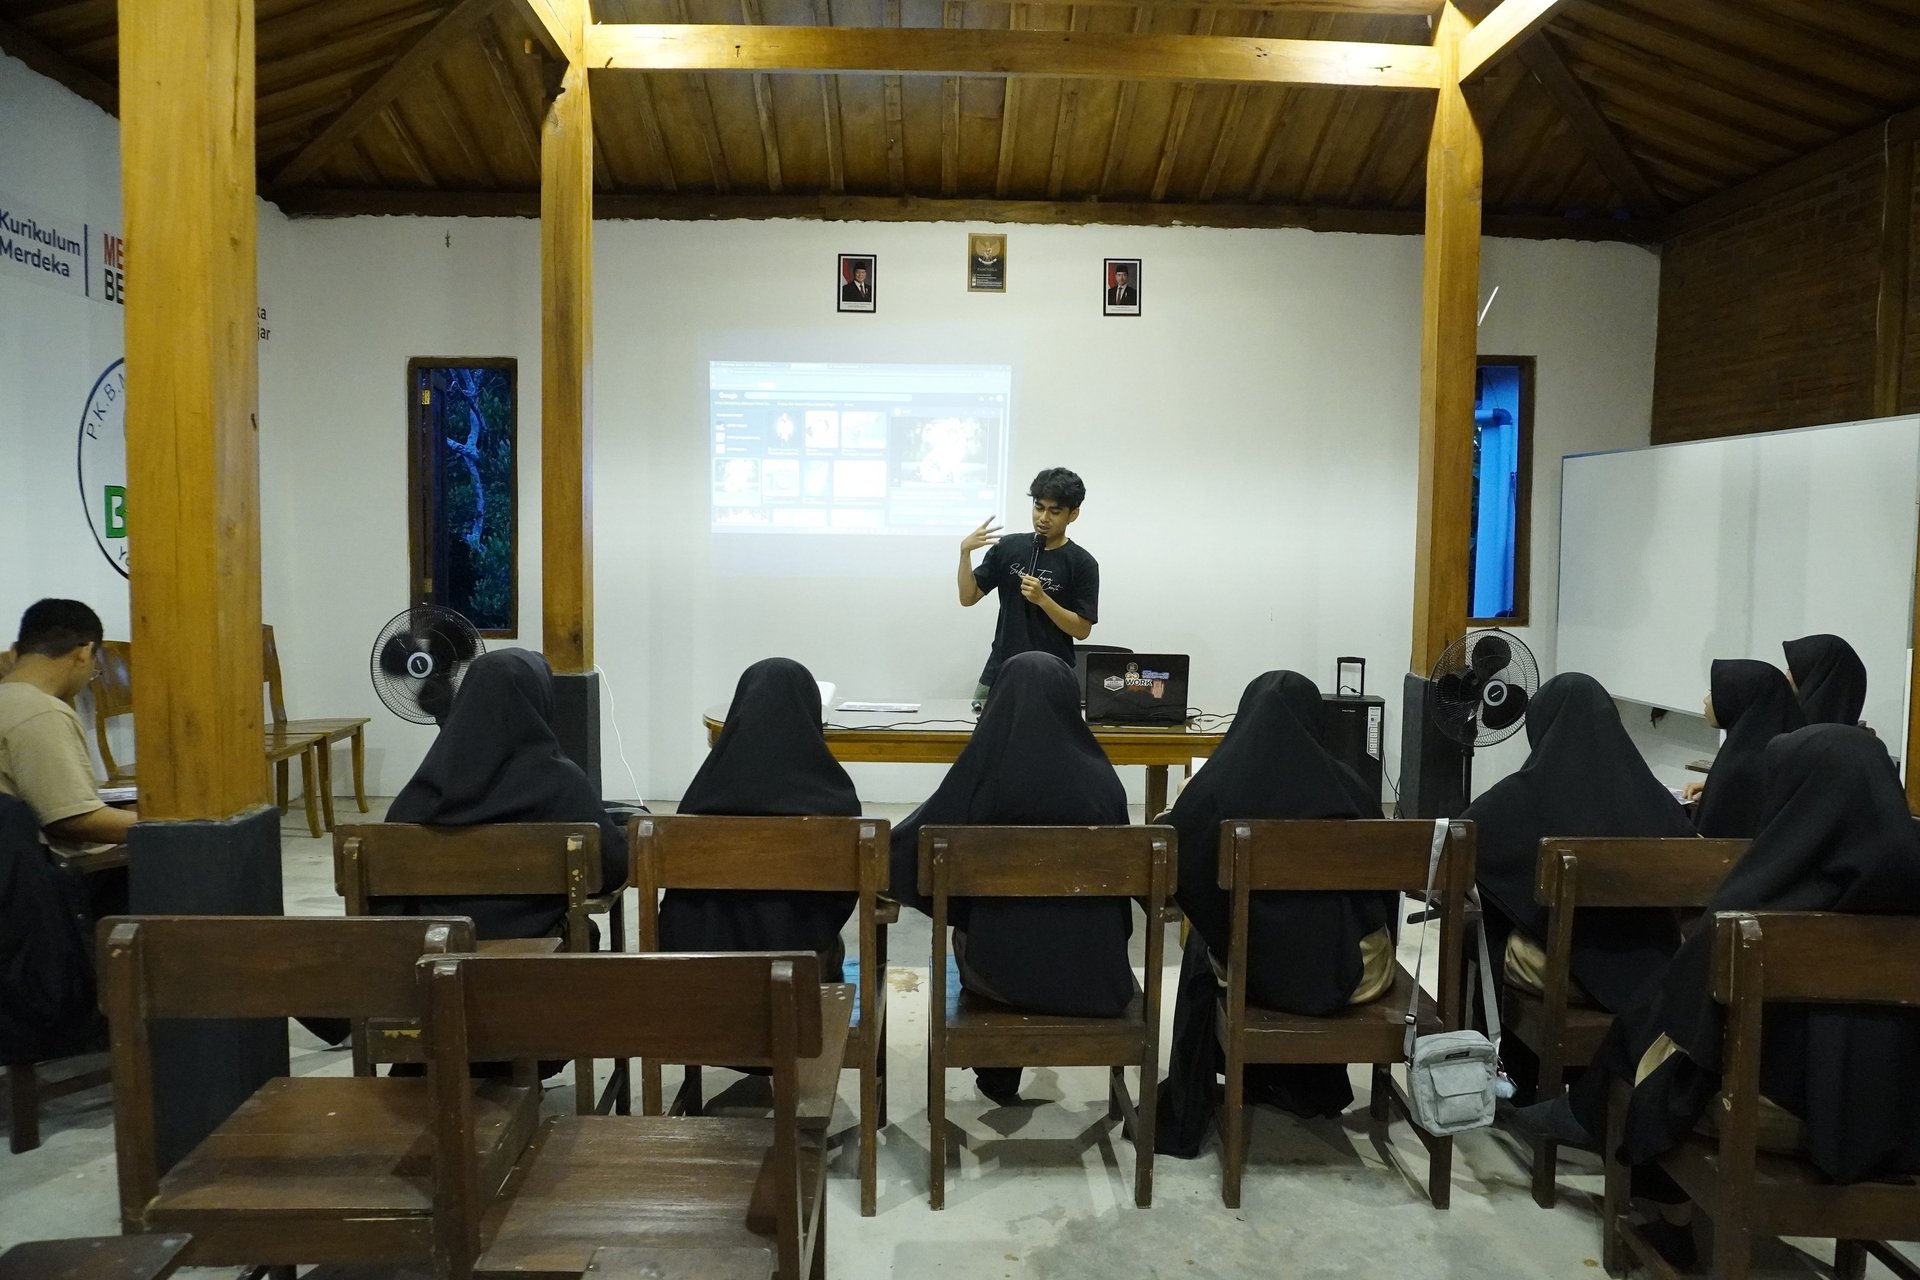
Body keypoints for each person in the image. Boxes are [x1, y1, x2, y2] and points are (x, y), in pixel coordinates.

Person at [1511, 727, 1920, 1261]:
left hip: (1789, 1108)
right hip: (1902, 1114)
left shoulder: (1761, 906)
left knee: (1665, 1043)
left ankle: (1666, 1209)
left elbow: (1692, 1024)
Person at [1156, 671, 1395, 1156]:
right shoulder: (1354, 788)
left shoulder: (1215, 788)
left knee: (1204, 941)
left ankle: (1189, 1103)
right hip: (1356, 974)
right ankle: (1308, 1085)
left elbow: (1177, 877)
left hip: (1256, 976)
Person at [889, 651, 1133, 1103]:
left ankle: (997, 1074)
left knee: (985, 922)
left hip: (997, 979)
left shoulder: (984, 777)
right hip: (1096, 976)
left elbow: (911, 854)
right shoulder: (1104, 783)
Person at [1460, 673, 1696, 1100]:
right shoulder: (1658, 799)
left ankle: (1494, 1068)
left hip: (1568, 972)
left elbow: (1463, 846)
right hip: (1654, 969)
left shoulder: (1519, 796)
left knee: (1474, 927)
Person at [386, 648, 626, 941]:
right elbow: (612, 870)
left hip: (437, 950)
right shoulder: (562, 784)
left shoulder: (429, 783)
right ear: (539, 699)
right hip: (537, 954)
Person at [658, 658, 862, 982]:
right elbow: (842, 897)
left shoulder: (703, 793)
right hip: (795, 969)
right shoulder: (834, 797)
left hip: (695, 970)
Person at [0, 600, 138, 858]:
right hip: (48, 877)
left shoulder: (9, 701)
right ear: (85, 653)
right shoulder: (42, 712)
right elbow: (72, 819)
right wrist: (162, 825)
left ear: (15, 652)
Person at [957, 467, 1098, 704]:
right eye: (1038, 507)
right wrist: (965, 553)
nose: (1043, 518)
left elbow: (1082, 630)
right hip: (1000, 668)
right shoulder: (1008, 547)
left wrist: (1043, 599)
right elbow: (968, 597)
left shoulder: (1083, 563)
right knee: (985, 738)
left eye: (1054, 511)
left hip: (1052, 674)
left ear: (1073, 514)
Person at [1688, 659, 1805, 838]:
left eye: (1714, 693)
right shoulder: (1787, 749)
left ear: (1739, 698)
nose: (1706, 700)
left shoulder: (1741, 763)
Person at [1782, 633, 1867, 726]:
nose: (1786, 677)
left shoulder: (1792, 734)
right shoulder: (1858, 738)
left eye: (1791, 670)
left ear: (1815, 677)